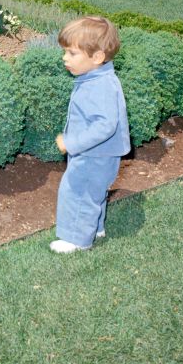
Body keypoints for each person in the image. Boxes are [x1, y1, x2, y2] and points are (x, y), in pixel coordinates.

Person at [51, 16, 130, 253]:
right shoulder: (97, 77)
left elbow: (104, 125)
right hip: (100, 154)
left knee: (78, 191)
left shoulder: (100, 85)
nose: (65, 58)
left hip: (95, 155)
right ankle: (95, 228)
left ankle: (77, 240)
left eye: (72, 53)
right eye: (65, 51)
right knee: (94, 191)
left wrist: (72, 142)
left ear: (97, 57)